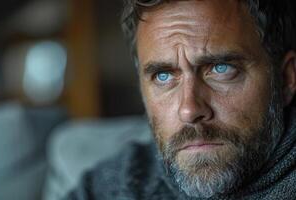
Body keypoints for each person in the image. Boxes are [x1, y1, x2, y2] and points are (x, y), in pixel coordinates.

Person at [64, 0, 296, 199]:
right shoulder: (117, 184)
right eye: (163, 76)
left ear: (286, 78)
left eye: (221, 68)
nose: (189, 109)